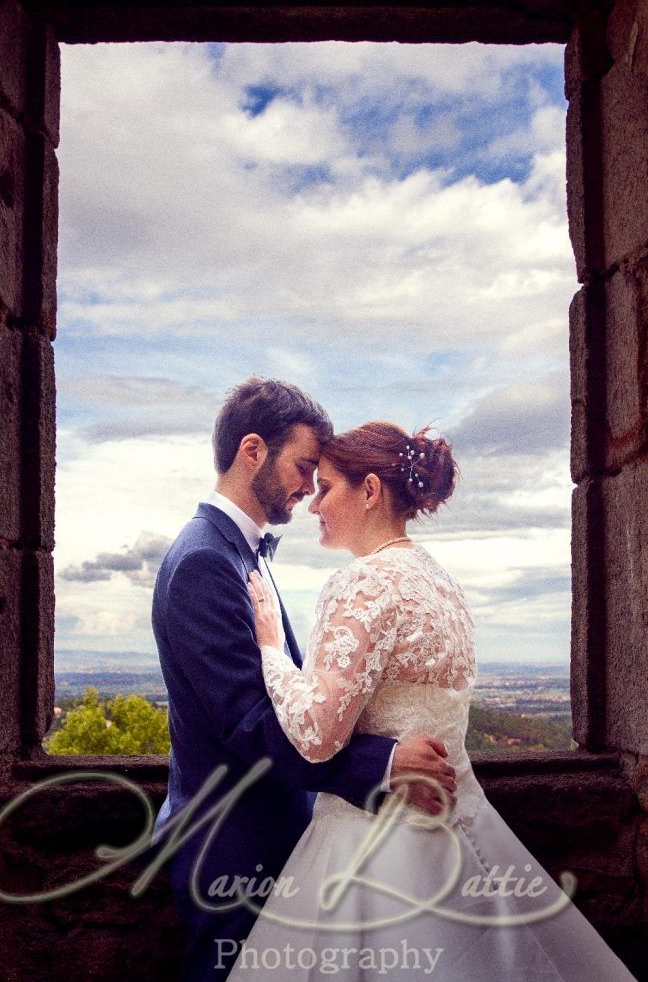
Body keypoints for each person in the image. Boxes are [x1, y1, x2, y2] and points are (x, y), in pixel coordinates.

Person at [225, 420, 638, 981]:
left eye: (326, 488)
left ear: (369, 491)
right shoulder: (442, 584)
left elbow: (317, 737)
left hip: (372, 851)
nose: (314, 504)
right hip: (464, 829)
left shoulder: (360, 583)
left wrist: (271, 648)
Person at [151, 380, 458, 982]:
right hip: (232, 844)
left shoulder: (242, 552)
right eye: (304, 466)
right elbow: (248, 724)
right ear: (253, 451)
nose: (310, 489)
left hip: (273, 834)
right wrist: (385, 763)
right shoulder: (204, 561)